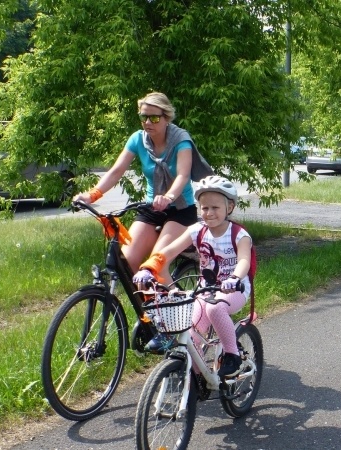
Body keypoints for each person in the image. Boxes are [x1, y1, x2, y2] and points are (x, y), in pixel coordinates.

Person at [133, 175, 252, 379]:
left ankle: (232, 356)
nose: (209, 213)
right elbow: (166, 253)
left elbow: (244, 261)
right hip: (205, 290)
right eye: (204, 208)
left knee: (215, 308)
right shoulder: (197, 230)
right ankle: (197, 378)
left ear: (229, 207)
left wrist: (234, 278)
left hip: (235, 290)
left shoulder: (239, 235)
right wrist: (148, 268)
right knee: (190, 332)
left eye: (215, 208)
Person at [73, 92, 199, 282]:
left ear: (166, 118)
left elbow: (182, 175)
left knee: (155, 266)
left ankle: (169, 308)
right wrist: (92, 195)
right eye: (143, 117)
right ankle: (146, 309)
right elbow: (116, 171)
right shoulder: (138, 139)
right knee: (126, 263)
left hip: (181, 210)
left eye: (154, 118)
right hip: (152, 208)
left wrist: (169, 197)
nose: (148, 122)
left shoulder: (181, 139)